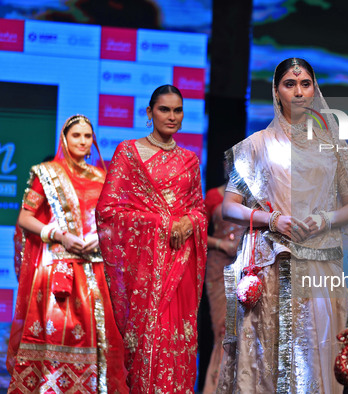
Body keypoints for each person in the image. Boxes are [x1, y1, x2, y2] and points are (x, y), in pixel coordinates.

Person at [217, 58, 348, 393]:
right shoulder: (255, 145)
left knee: (314, 352)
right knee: (267, 356)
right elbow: (229, 207)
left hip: (319, 263)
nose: (298, 92)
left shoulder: (333, 145)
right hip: (270, 265)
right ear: (277, 91)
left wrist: (324, 218)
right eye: (290, 84)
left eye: (305, 84)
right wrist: (272, 219)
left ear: (314, 89)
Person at [95, 85, 208, 393]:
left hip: (180, 264)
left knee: (178, 340)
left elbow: (199, 210)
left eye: (178, 110)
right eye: (164, 109)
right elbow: (108, 211)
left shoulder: (190, 160)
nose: (172, 116)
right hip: (146, 270)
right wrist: (161, 224)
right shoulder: (128, 153)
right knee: (148, 341)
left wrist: (189, 222)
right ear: (149, 113)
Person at [7, 115, 128, 393]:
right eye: (76, 136)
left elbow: (114, 222)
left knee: (102, 343)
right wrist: (59, 235)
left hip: (97, 270)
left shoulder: (103, 177)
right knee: (56, 340)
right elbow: (25, 218)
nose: (83, 141)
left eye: (88, 136)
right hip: (58, 272)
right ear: (64, 138)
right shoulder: (45, 172)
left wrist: (101, 239)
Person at [202, 183, 244, 393]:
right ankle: (217, 387)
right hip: (219, 265)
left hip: (246, 265)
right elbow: (198, 232)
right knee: (223, 328)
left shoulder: (255, 192)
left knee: (242, 327)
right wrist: (220, 244)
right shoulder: (213, 196)